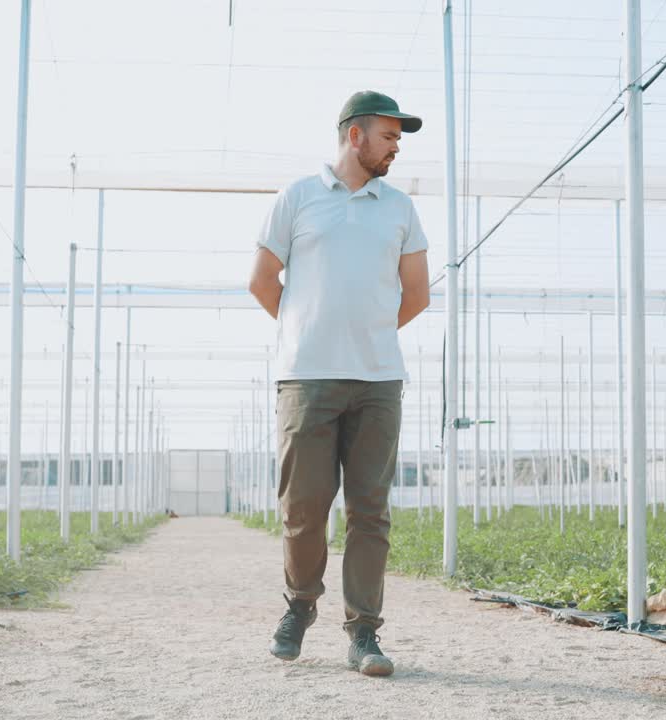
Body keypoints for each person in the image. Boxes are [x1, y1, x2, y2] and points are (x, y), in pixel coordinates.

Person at [247, 90, 430, 677]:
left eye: (399, 139)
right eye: (389, 136)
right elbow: (262, 280)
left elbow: (417, 293)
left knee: (370, 512)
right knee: (304, 507)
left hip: (378, 381)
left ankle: (364, 634)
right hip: (306, 377)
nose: (395, 148)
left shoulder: (400, 208)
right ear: (355, 135)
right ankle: (299, 607)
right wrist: (310, 329)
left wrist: (366, 334)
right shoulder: (297, 197)